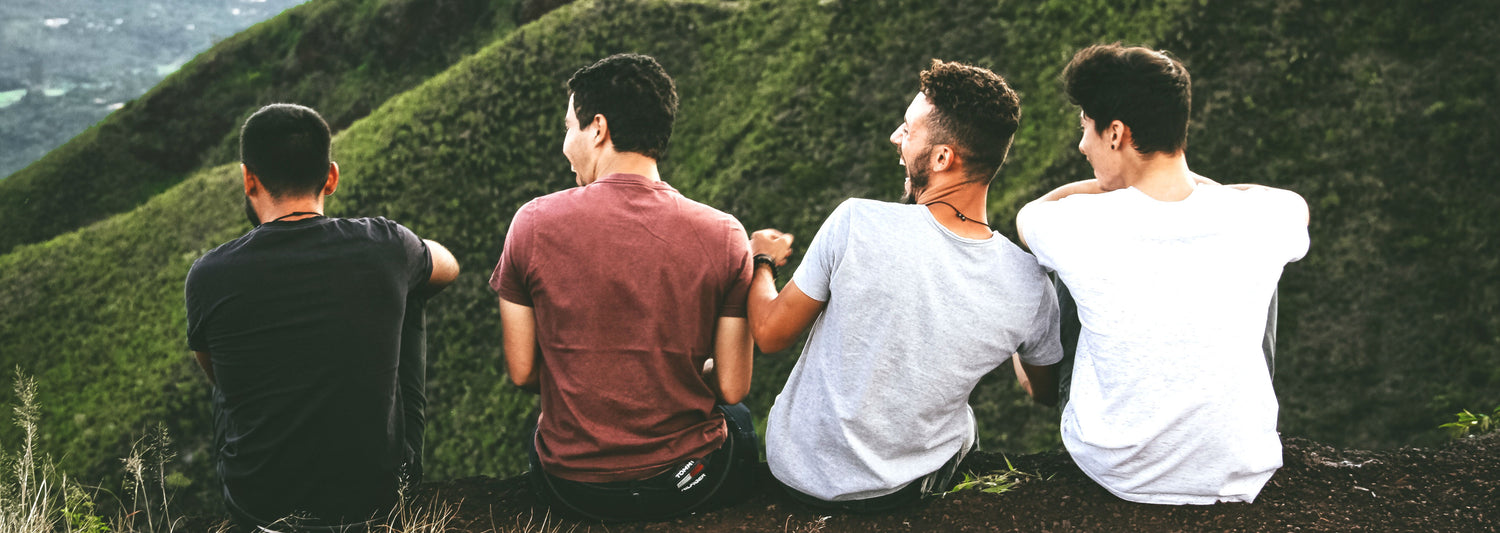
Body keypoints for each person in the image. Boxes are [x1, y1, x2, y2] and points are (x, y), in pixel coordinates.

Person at [747, 59, 1063, 511]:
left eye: (908, 130)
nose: (896, 137)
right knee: (965, 424)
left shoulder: (855, 221)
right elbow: (1044, 392)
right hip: (899, 493)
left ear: (941, 158)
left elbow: (770, 334)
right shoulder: (1030, 285)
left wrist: (762, 260)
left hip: (795, 473)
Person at [1015, 43, 1310, 505]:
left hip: (1117, 466)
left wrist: (1104, 187)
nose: (1081, 145)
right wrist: (1202, 189)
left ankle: (1044, 391)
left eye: (1085, 129)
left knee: (1059, 270)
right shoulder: (1262, 218)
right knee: (1259, 265)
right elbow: (1294, 204)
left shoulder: (1075, 224)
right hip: (1238, 468)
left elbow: (1030, 216)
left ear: (1115, 133)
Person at [490, 53, 758, 522]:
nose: (564, 143)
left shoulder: (531, 223)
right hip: (686, 483)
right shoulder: (726, 234)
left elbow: (523, 371)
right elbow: (733, 386)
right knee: (739, 420)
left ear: (598, 128)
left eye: (569, 127)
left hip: (572, 488)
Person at [185, 103, 460, 531]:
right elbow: (449, 266)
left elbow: (219, 378)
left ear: (248, 178)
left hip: (257, 504)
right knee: (413, 289)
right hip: (375, 497)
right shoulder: (385, 245)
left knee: (230, 361)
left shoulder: (208, 274)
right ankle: (403, 477)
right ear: (331, 177)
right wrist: (402, 256)